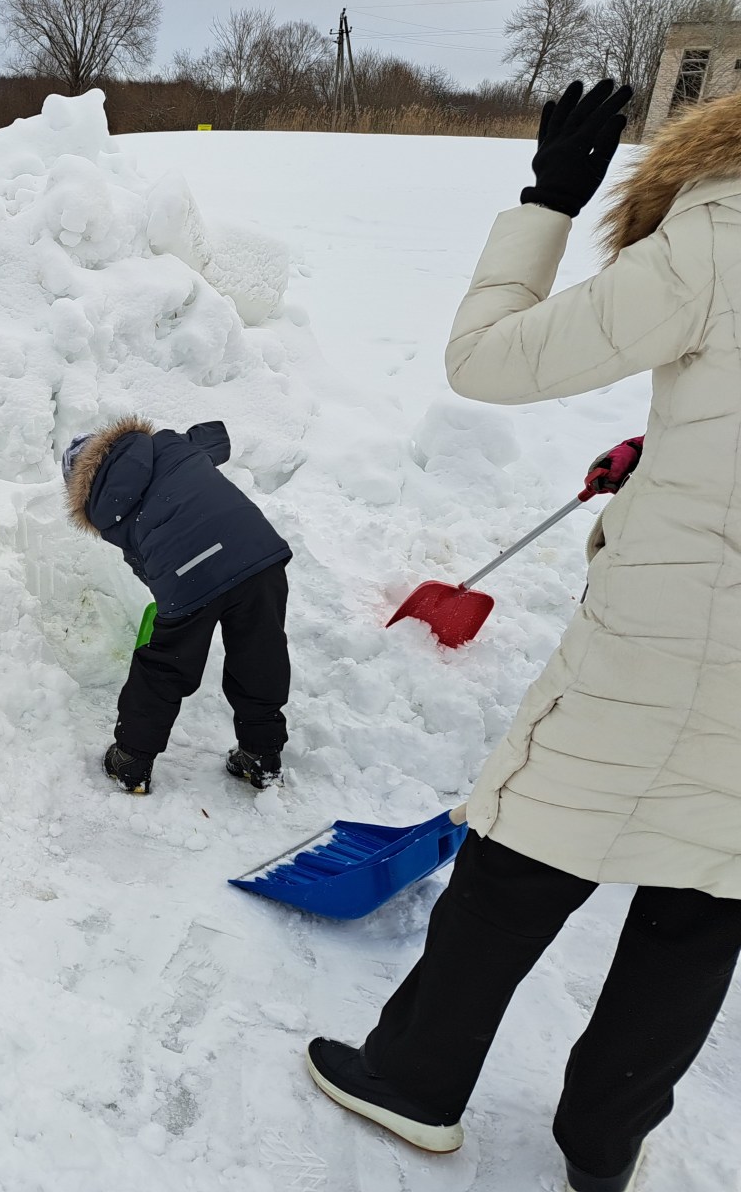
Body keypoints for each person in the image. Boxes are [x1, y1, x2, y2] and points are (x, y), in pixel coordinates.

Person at [306, 80, 741, 1192]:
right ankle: (604, 1143)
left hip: (673, 639)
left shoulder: (719, 233)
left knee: (523, 852)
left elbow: (487, 360)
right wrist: (676, 447)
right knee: (706, 898)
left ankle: (413, 1080)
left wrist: (547, 202)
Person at [63, 414, 293, 795]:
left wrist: (171, 602)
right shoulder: (165, 445)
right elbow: (215, 438)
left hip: (189, 574)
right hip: (256, 551)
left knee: (165, 666)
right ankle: (261, 755)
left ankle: (131, 759)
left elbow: (143, 563)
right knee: (260, 654)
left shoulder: (104, 510)